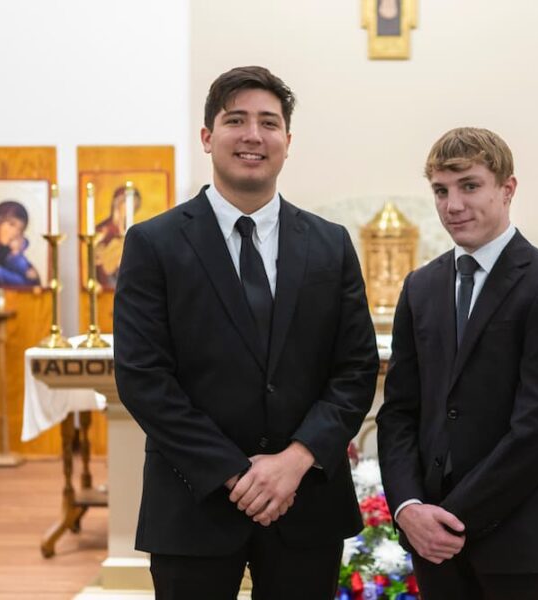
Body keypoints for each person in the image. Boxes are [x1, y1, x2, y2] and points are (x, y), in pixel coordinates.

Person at [113, 66, 379, 599]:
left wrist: (295, 461)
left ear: (287, 141)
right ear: (208, 137)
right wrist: (236, 475)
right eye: (236, 121)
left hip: (306, 501)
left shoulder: (330, 244)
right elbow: (145, 378)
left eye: (269, 122)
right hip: (195, 501)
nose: (253, 135)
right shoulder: (155, 243)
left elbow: (355, 369)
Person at [376, 127, 538, 600]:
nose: (453, 205)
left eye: (469, 186)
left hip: (519, 537)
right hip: (431, 537)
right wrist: (409, 508)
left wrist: (451, 518)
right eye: (441, 191)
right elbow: (400, 412)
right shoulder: (421, 287)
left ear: (507, 189)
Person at [94, 185, 142, 289]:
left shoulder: (133, 231)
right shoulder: (103, 230)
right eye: (126, 204)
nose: (129, 210)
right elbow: (97, 261)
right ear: (117, 204)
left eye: (133, 206)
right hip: (108, 283)